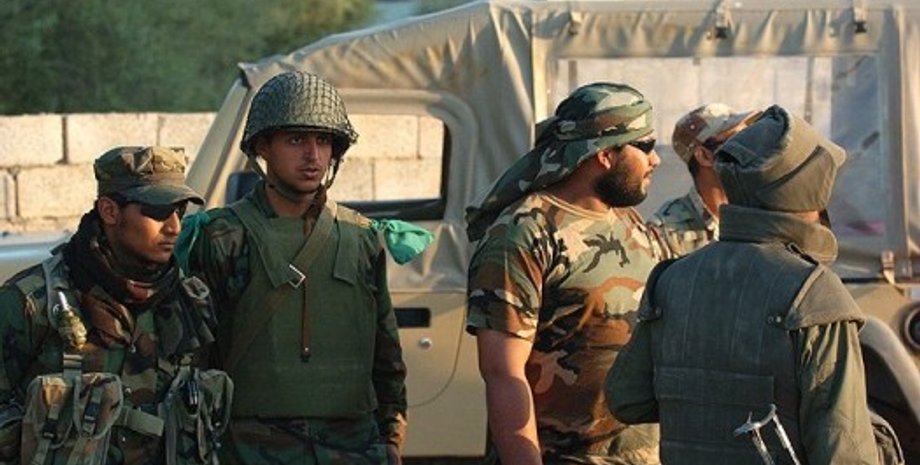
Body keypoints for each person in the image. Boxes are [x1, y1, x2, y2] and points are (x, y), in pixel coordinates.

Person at [606, 105, 881, 464]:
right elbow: (845, 451)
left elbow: (627, 398)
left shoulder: (672, 279)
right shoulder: (813, 295)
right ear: (808, 191)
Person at [182, 71, 408, 465]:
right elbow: (194, 353)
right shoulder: (223, 236)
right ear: (262, 147)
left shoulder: (361, 237)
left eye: (323, 141)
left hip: (352, 445)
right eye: (296, 140)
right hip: (251, 447)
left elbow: (385, 348)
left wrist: (391, 433)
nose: (313, 156)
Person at [465, 82, 666, 465]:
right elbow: (503, 372)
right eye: (645, 146)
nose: (655, 160)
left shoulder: (633, 225)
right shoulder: (523, 233)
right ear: (604, 154)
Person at [0, 146, 230, 465]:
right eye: (158, 212)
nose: (174, 227)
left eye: (179, 211)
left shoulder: (189, 302)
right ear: (109, 211)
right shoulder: (34, 300)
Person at [650, 103, 758, 256]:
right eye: (737, 140)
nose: (750, 149)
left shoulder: (764, 214)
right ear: (705, 156)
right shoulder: (664, 234)